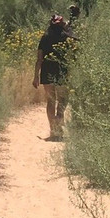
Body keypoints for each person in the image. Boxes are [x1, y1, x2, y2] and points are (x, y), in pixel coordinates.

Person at [32, 13, 77, 141]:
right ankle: (59, 116)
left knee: (50, 101)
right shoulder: (66, 37)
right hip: (61, 71)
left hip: (46, 72)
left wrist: (36, 76)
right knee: (63, 99)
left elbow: (39, 59)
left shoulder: (45, 37)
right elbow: (73, 55)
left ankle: (53, 131)